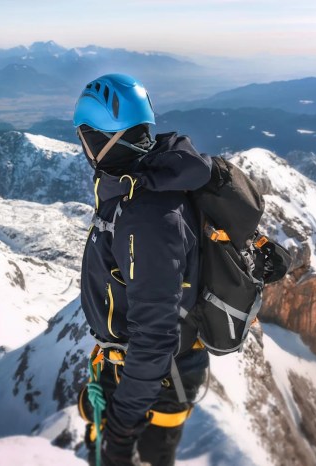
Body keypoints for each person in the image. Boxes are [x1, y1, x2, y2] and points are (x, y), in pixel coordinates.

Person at [74, 74, 212, 466]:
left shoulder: (146, 216)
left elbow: (154, 335)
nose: (82, 145)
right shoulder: (138, 184)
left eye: (84, 134)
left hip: (156, 381)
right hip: (137, 370)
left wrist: (120, 425)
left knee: (149, 457)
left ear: (100, 137)